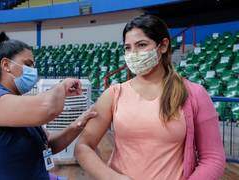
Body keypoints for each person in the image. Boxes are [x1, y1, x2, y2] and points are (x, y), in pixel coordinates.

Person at [75, 14, 226, 180]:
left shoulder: (194, 94)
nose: (133, 53)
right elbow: (83, 146)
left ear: (162, 46)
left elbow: (213, 159)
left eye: (141, 45)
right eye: (127, 48)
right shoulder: (113, 94)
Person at [0, 32, 97, 180]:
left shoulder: (17, 102)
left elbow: (48, 145)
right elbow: (49, 108)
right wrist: (63, 85)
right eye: (27, 64)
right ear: (6, 65)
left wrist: (79, 124)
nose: (33, 71)